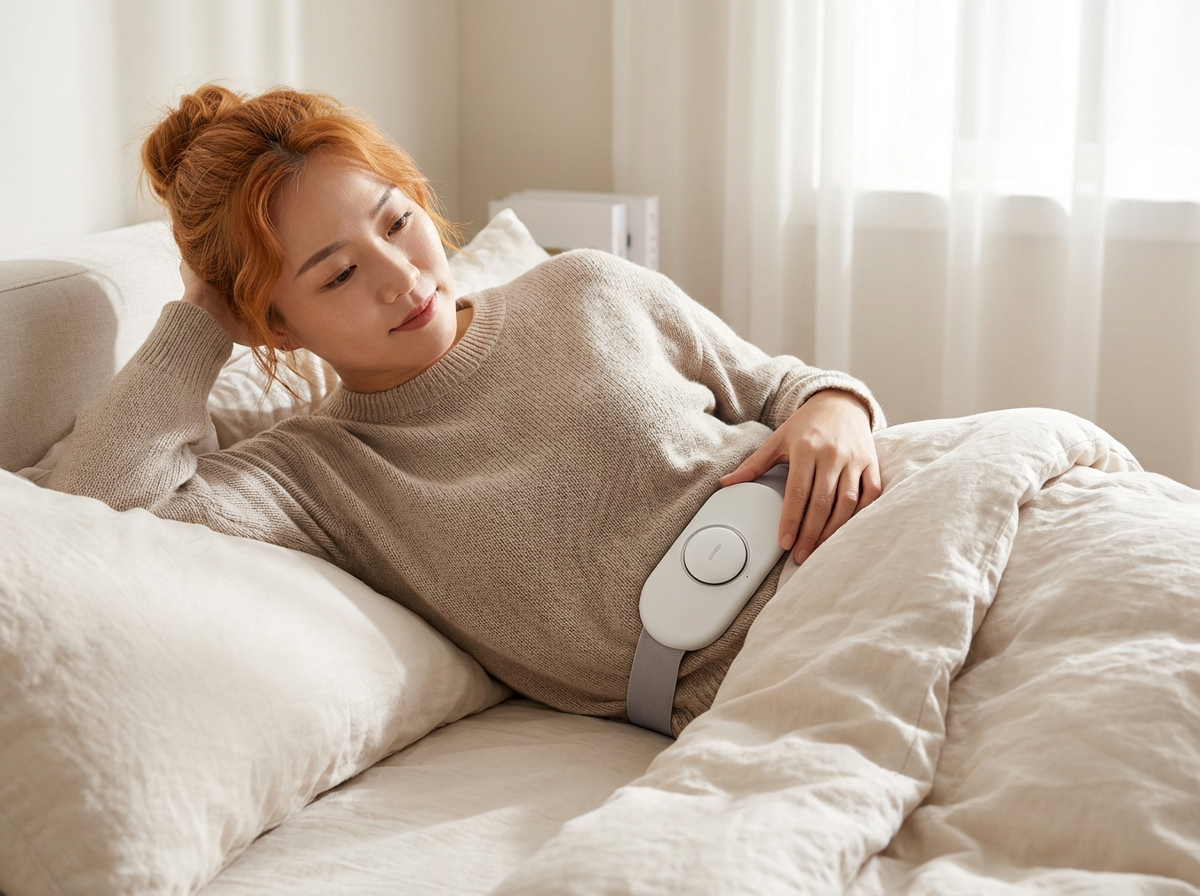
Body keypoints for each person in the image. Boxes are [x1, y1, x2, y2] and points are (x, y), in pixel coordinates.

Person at [57, 85, 885, 736]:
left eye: (398, 221)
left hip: (876, 532)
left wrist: (838, 406)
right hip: (783, 680)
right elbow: (97, 510)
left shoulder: (585, 287)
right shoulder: (316, 477)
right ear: (273, 321)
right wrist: (202, 319)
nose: (399, 276)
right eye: (336, 276)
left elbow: (783, 386)